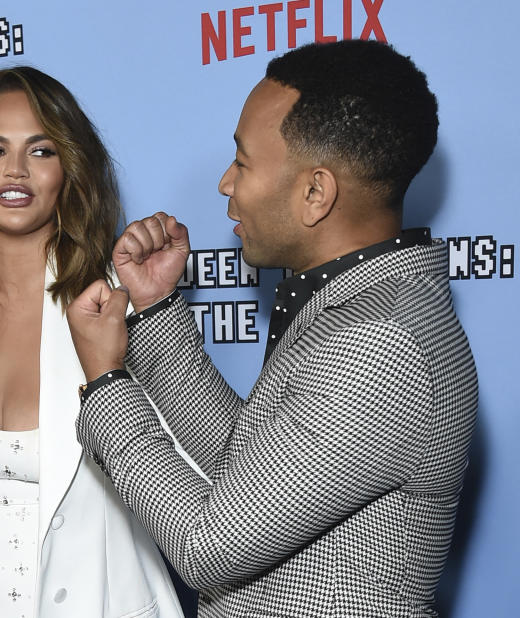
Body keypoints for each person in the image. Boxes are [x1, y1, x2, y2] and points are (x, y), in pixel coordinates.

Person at [66, 40, 478, 617]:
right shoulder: (362, 307)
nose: (225, 183)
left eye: (243, 161)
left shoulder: (382, 340)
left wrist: (108, 386)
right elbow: (247, 476)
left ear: (315, 193)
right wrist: (157, 308)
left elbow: (208, 546)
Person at [0, 67, 183, 617]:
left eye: (41, 151)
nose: (15, 170)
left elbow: (189, 475)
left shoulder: (116, 304)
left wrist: (155, 314)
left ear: (69, 173)